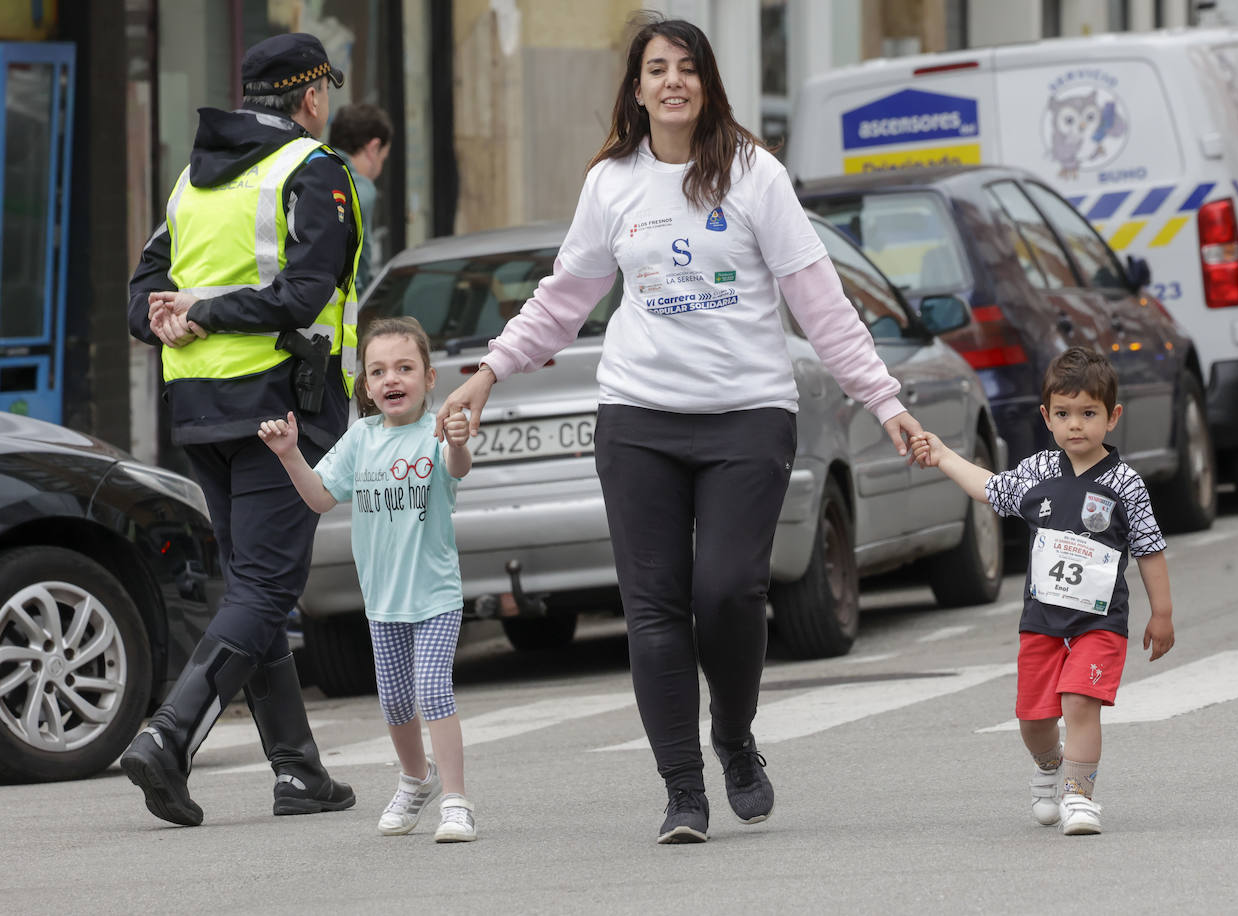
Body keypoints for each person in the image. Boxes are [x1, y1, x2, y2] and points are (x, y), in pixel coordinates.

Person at [434, 14, 925, 845]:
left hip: (748, 417)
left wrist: (886, 399)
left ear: (706, 84)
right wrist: (488, 373)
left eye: (687, 68)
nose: (672, 82)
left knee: (729, 590)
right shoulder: (612, 184)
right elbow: (563, 298)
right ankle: (682, 790)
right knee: (653, 607)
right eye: (656, 68)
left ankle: (733, 736)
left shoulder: (754, 175)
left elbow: (820, 304)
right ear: (636, 88)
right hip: (638, 419)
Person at [122, 32, 362, 827]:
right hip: (276, 408)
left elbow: (142, 297)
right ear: (312, 97)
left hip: (199, 412)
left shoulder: (192, 182)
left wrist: (174, 318)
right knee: (264, 588)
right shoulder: (312, 170)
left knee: (254, 588)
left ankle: (298, 771)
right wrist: (202, 311)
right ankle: (170, 735)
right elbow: (302, 294)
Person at [914, 346, 1175, 836]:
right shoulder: (1038, 473)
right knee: (1034, 718)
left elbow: (1149, 549)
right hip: (1042, 623)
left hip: (1099, 623)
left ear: (1112, 417)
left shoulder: (1126, 485)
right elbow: (989, 489)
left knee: (1080, 700)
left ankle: (1080, 798)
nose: (1076, 424)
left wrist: (1161, 612)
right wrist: (945, 456)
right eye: (1064, 414)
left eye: (1089, 413)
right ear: (1047, 417)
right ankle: (1049, 763)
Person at [258, 316, 477, 843]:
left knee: (431, 689)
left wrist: (459, 437)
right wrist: (290, 455)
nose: (391, 379)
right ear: (366, 387)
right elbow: (320, 497)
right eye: (378, 371)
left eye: (404, 367)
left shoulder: (436, 430)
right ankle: (414, 779)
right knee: (396, 700)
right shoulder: (361, 437)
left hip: (435, 594)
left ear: (429, 378)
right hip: (382, 601)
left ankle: (456, 800)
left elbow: (459, 466)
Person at [328, 103, 393, 294]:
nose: (380, 168)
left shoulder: (312, 171)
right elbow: (359, 272)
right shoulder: (360, 189)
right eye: (384, 158)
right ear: (373, 149)